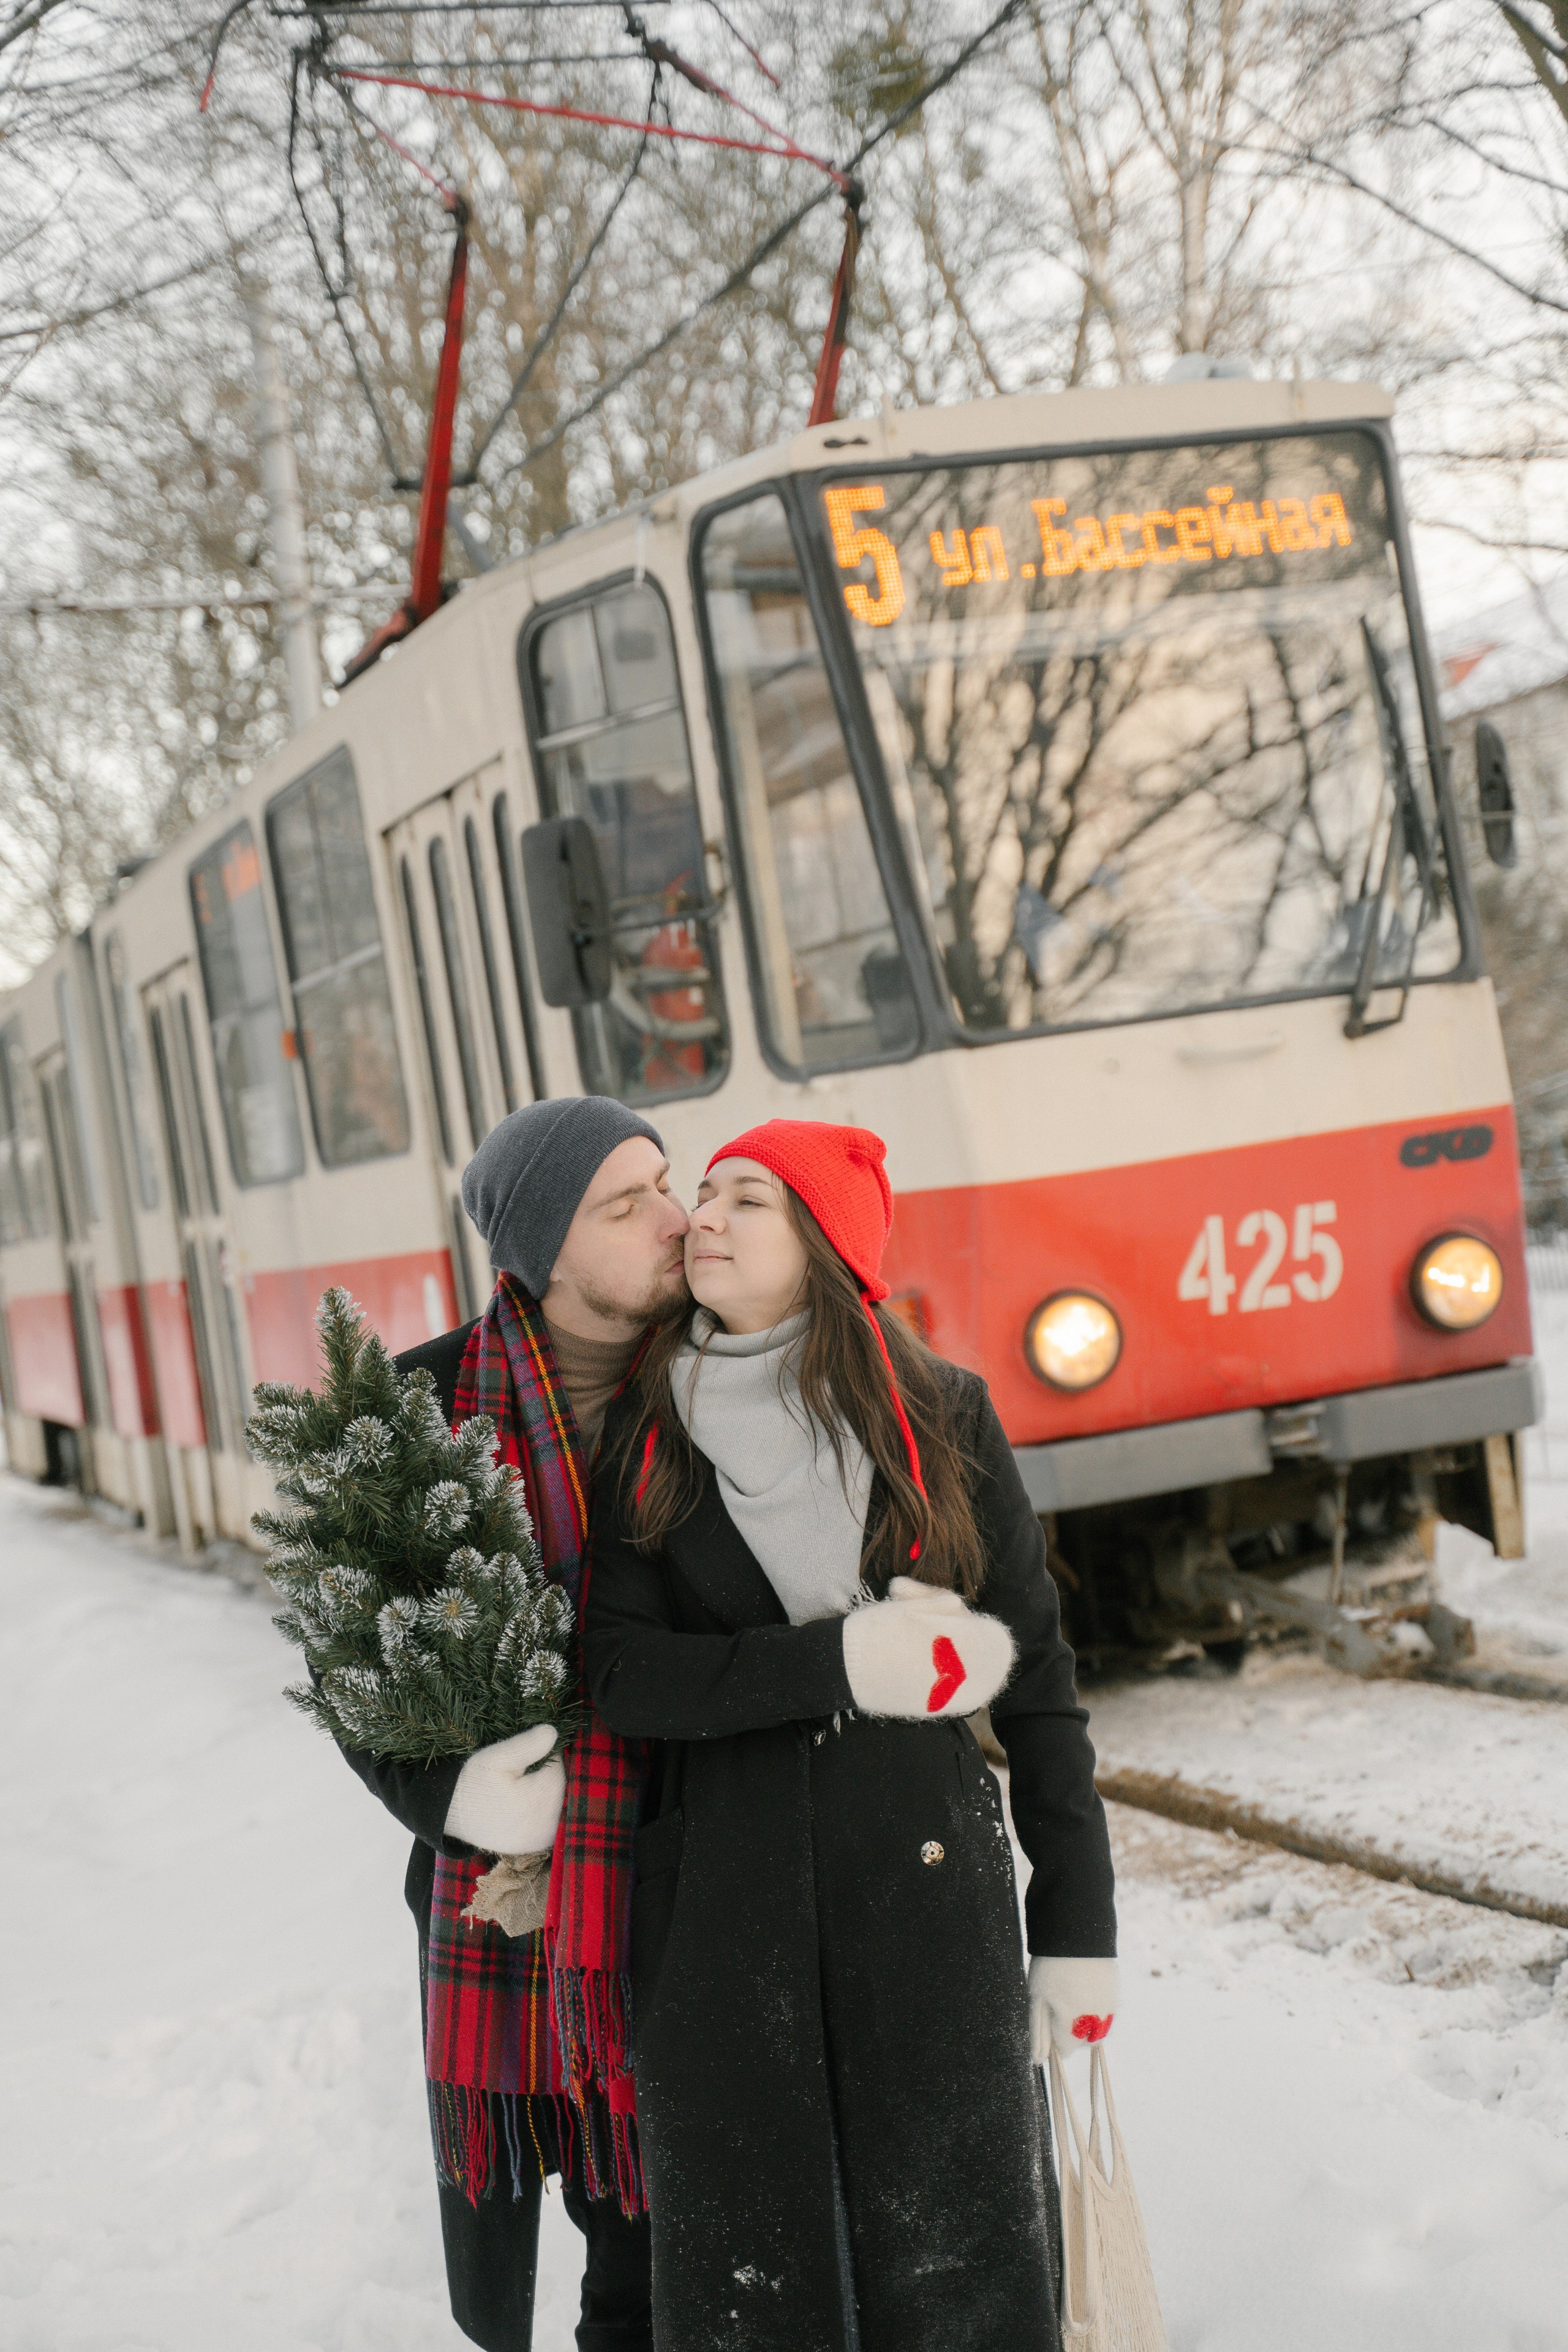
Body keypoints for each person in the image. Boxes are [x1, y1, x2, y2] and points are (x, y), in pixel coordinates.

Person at [584, 1119, 1119, 2352]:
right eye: (701, 1193)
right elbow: (620, 1675)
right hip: (722, 1928)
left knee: (959, 2276)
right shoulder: (642, 1430)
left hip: (928, 1908)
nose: (701, 1217)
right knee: (755, 2293)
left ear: (823, 1242)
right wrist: (832, 1661)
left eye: (746, 1199)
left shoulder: (939, 1414)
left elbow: (1036, 1684)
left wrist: (1076, 1927)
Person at [330, 1096, 690, 2352]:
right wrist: (453, 1803)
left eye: (667, 1180)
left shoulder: (727, 1372)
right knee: (627, 2238)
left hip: (715, 1872)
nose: (674, 1217)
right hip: (532, 1912)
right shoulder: (418, 1418)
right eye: (625, 1201)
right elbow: (357, 1666)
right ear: (541, 1251)